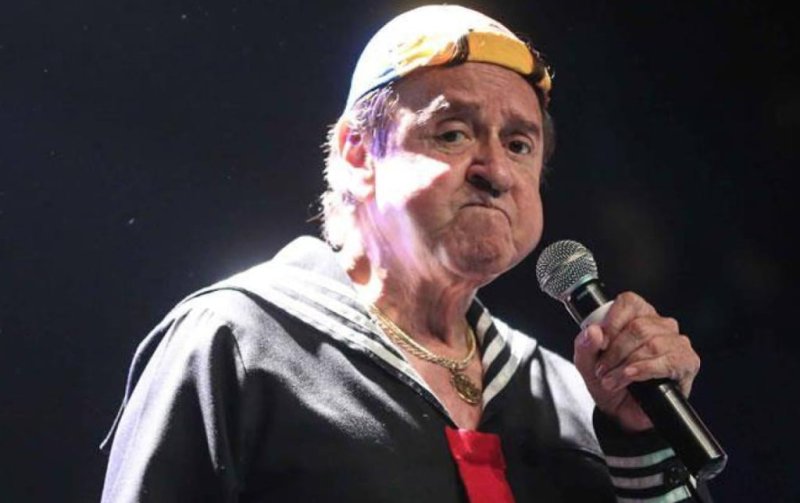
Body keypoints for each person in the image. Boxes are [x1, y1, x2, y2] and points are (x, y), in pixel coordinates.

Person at [100, 5, 710, 502]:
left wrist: (642, 440)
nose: (496, 171)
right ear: (358, 155)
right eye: (453, 133)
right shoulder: (237, 343)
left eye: (520, 145)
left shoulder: (572, 395)